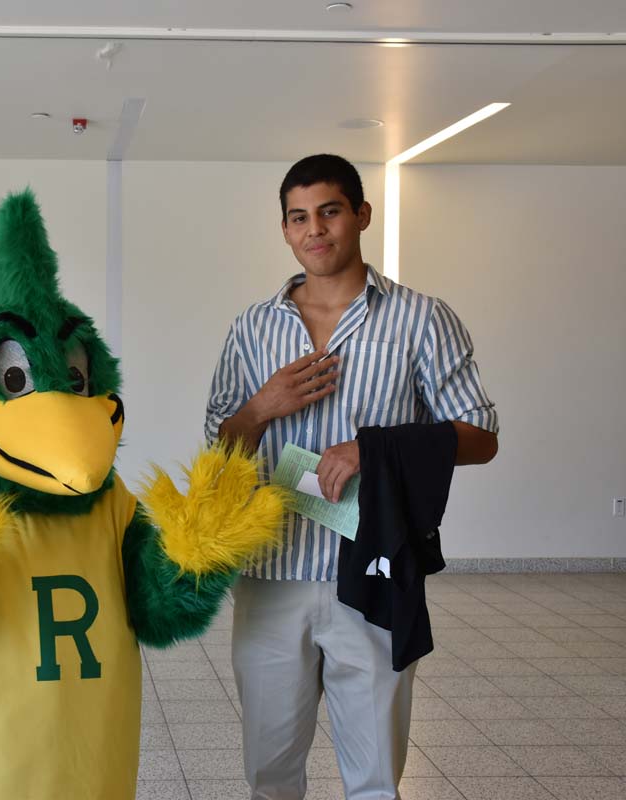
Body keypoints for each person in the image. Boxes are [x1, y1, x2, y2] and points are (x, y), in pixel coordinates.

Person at [205, 153, 498, 799]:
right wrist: (261, 408)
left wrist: (376, 448)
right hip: (270, 574)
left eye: (330, 211)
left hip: (372, 573)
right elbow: (216, 448)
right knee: (270, 772)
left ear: (361, 215)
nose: (316, 229)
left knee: (374, 779)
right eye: (299, 217)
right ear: (284, 230)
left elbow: (480, 438)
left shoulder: (422, 318)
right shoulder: (253, 329)